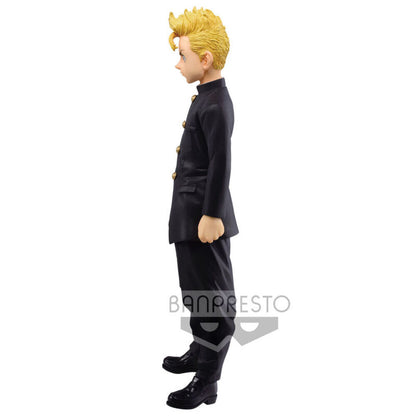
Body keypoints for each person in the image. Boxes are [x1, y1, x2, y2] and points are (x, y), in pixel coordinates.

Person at [164, 6, 239, 409]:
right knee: (195, 292)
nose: (178, 64)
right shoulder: (206, 98)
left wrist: (212, 215)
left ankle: (208, 379)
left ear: (205, 59)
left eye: (183, 56)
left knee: (213, 299)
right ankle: (199, 349)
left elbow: (220, 163)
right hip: (191, 216)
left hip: (203, 218)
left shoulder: (216, 104)